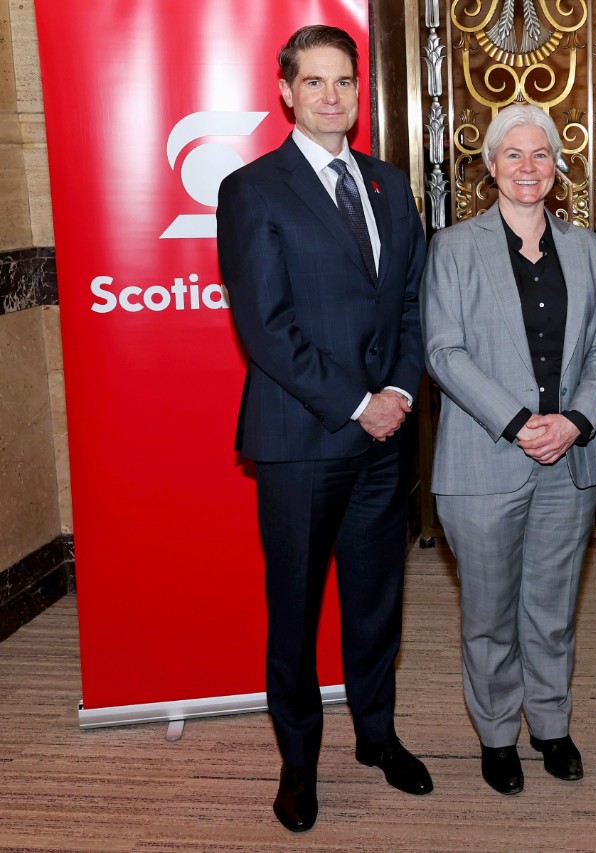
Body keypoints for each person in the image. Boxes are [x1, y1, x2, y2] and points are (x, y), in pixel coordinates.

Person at [216, 24, 432, 832]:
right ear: (286, 91)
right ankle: (298, 763)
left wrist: (401, 390)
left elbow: (412, 304)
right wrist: (358, 402)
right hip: (304, 436)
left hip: (388, 435)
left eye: (344, 82)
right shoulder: (253, 189)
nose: (333, 97)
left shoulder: (388, 185)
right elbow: (266, 329)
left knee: (377, 601)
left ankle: (377, 736)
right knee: (297, 607)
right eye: (315, 83)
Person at [424, 104, 596, 796]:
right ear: (490, 165)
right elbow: (443, 352)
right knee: (488, 609)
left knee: (552, 604)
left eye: (541, 155)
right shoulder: (452, 248)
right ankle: (497, 733)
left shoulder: (590, 249)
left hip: (569, 458)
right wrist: (517, 422)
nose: (528, 167)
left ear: (558, 168)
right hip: (483, 459)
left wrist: (574, 418)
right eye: (514, 154)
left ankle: (552, 723)